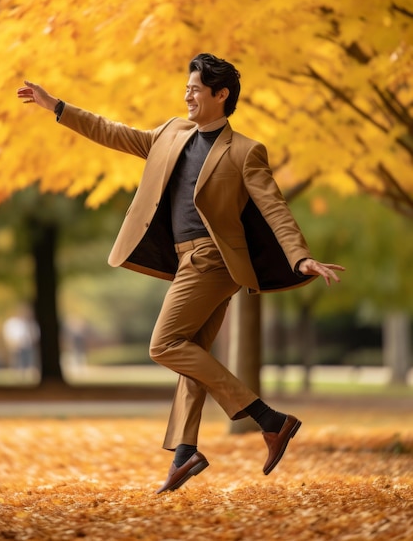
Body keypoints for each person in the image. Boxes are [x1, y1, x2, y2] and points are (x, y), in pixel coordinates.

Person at [17, 53, 345, 493]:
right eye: (187, 87)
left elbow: (275, 207)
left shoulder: (245, 152)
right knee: (191, 354)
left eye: (196, 88)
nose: (187, 93)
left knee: (165, 344)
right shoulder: (172, 133)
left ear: (221, 95)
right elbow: (114, 132)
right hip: (185, 259)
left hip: (213, 261)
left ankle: (270, 419)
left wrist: (300, 256)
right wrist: (57, 107)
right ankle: (185, 453)